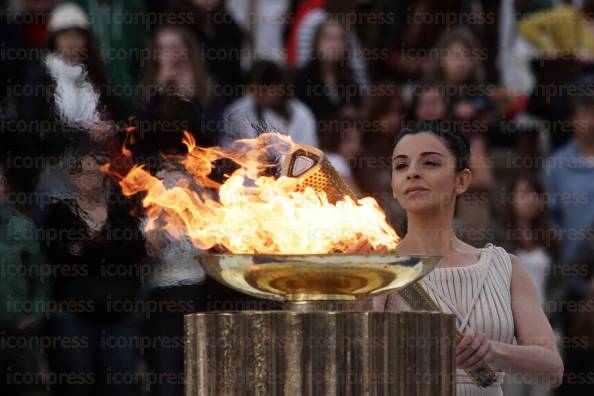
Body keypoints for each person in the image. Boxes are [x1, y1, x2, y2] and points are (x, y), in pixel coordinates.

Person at [364, 120, 563, 395]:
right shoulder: (380, 268)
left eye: (430, 163)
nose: (412, 173)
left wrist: (494, 351)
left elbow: (552, 369)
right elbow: (355, 364)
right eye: (401, 165)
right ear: (394, 188)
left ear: (462, 180)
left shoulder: (505, 267)